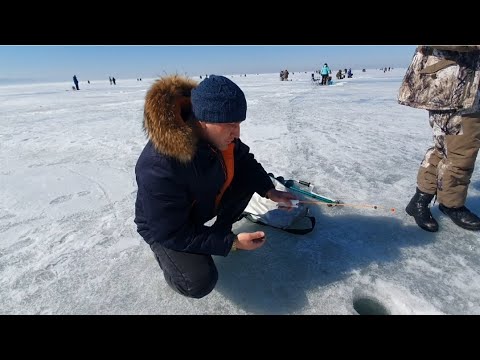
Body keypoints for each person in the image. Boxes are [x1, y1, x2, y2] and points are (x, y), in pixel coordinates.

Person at [134, 74, 297, 298]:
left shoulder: (221, 137)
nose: (237, 132)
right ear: (203, 120)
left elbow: (245, 160)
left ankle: (217, 234)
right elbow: (170, 231)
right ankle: (170, 258)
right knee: (198, 282)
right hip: (165, 227)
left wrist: (269, 190)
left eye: (239, 123)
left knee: (245, 179)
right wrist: (231, 243)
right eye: (230, 124)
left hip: (200, 204)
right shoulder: (158, 166)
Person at [398, 45, 480, 232]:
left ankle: (421, 199)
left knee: (446, 148)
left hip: (468, 87)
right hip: (454, 87)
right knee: (460, 151)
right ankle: (451, 204)